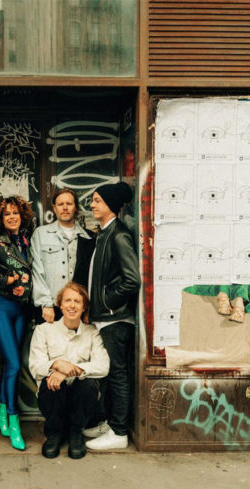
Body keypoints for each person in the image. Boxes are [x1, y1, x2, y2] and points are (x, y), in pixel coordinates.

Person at [85, 181, 140, 451]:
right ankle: (110, 422)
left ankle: (119, 432)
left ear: (110, 205)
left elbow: (132, 280)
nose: (92, 205)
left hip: (115, 319)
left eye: (97, 200)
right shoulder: (105, 233)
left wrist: (106, 302)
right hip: (106, 318)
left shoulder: (118, 235)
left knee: (117, 374)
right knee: (109, 373)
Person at [0, 195, 35, 451]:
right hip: (1, 307)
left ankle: (1, 408)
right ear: (0, 219)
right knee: (12, 363)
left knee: (12, 364)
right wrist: (7, 281)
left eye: (15, 213)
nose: (12, 217)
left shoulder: (26, 241)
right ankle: (14, 421)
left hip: (22, 310)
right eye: (7, 214)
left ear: (22, 215)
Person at [29, 282, 109, 459]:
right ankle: (54, 433)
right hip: (53, 398)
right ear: (60, 305)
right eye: (67, 301)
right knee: (52, 382)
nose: (72, 305)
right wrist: (56, 364)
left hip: (79, 401)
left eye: (77, 301)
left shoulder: (92, 332)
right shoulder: (44, 330)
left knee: (88, 384)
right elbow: (35, 366)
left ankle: (75, 432)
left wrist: (69, 370)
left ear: (84, 307)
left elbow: (103, 366)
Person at [30, 188, 95, 324]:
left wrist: (88, 309)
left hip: (77, 309)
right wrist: (45, 303)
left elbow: (91, 277)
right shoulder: (41, 234)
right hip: (51, 308)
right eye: (60, 204)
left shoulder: (89, 238)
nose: (65, 208)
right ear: (54, 208)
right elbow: (37, 270)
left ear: (75, 207)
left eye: (69, 204)